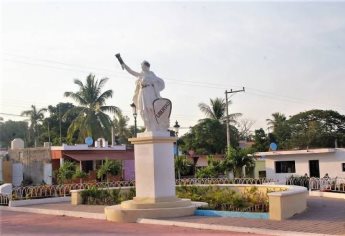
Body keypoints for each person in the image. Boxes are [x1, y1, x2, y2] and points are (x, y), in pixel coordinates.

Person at [122, 61, 166, 132]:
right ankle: (148, 126)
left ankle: (154, 126)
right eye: (141, 66)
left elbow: (159, 83)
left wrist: (157, 94)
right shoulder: (141, 74)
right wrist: (124, 65)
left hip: (150, 92)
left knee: (151, 109)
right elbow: (131, 71)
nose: (141, 67)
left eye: (142, 65)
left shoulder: (152, 75)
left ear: (146, 66)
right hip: (142, 93)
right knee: (143, 110)